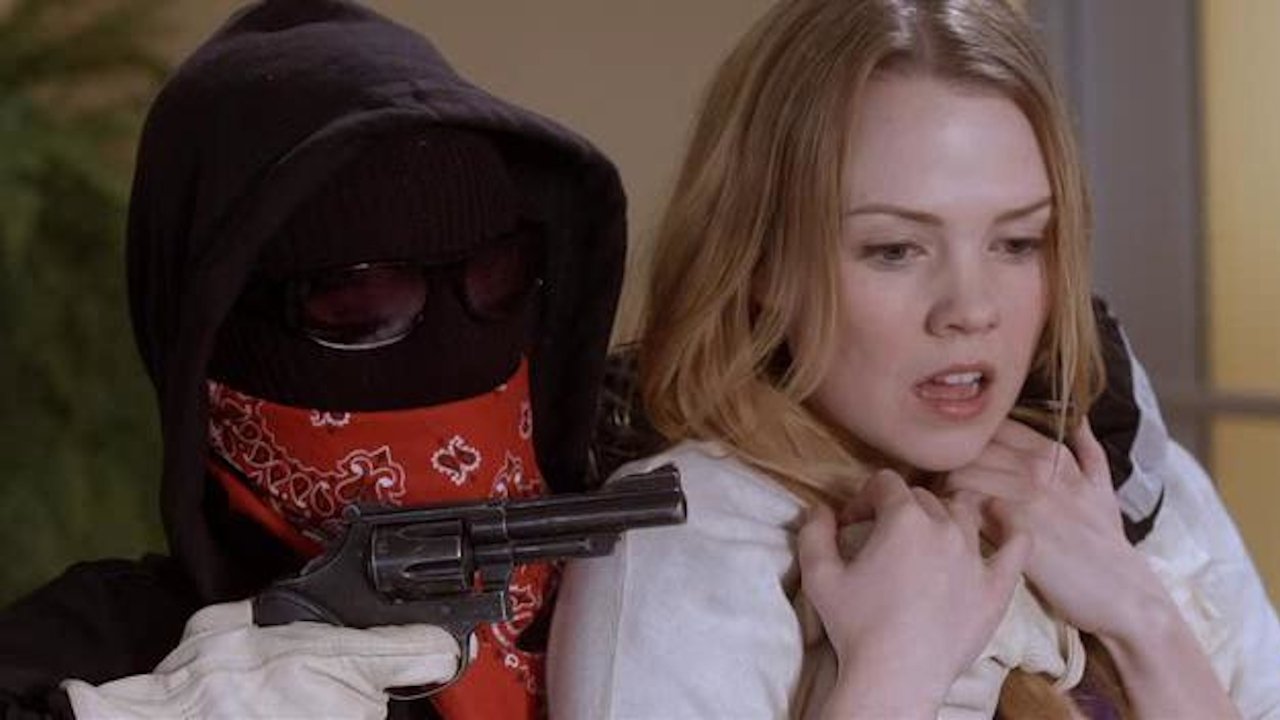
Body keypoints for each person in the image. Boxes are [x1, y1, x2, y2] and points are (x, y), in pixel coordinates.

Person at [548, 0, 1280, 718]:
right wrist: (890, 675)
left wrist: (1142, 620)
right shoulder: (683, 541)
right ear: (765, 262)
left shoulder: (1133, 489)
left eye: (1017, 243)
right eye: (895, 249)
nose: (972, 308)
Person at [0, 0, 625, 718]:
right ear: (210, 337)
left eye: (499, 278)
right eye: (360, 298)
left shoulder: (636, 580)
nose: (453, 351)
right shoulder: (107, 650)